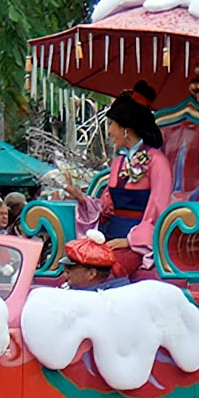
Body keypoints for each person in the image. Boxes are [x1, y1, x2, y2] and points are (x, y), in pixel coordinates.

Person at [66, 81, 171, 278]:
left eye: (112, 125)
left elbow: (159, 210)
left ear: (126, 129)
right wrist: (81, 197)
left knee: (101, 273)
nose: (109, 131)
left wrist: (130, 241)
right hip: (109, 236)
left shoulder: (158, 161)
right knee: (76, 264)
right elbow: (106, 207)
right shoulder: (119, 162)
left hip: (137, 244)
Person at [60, 230, 128, 291]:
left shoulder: (117, 295)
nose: (65, 270)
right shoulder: (71, 286)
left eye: (70, 267)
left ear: (91, 273)